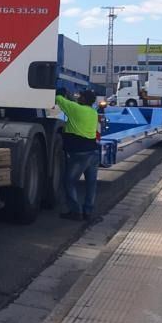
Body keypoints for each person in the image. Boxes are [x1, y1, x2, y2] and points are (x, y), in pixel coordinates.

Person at [56, 88, 100, 223]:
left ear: (84, 99)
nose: (78, 98)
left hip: (79, 154)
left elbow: (58, 99)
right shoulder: (93, 112)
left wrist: (63, 93)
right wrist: (72, 99)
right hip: (93, 153)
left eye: (80, 96)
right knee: (91, 184)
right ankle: (88, 212)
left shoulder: (75, 109)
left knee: (69, 181)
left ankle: (75, 211)